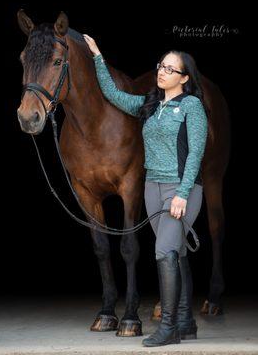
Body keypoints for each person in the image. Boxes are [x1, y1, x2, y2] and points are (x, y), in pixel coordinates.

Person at [83, 34, 208, 347]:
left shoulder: (191, 106)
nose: (162, 71)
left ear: (184, 77)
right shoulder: (150, 104)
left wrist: (182, 193)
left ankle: (167, 328)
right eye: (161, 66)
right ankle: (186, 322)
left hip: (182, 188)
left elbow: (195, 152)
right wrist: (98, 56)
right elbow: (112, 94)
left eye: (170, 68)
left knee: (163, 252)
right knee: (176, 253)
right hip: (153, 187)